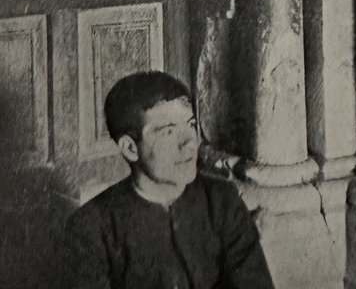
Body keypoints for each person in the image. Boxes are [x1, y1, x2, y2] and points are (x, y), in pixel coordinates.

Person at [64, 70, 275, 289]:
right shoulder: (91, 228)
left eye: (191, 125)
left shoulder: (222, 200)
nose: (190, 143)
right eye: (169, 132)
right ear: (130, 148)